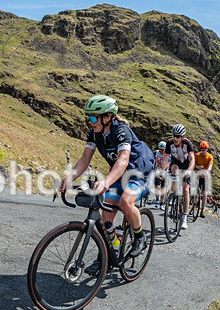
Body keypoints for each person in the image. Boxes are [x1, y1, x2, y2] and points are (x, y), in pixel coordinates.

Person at [60, 95, 154, 258]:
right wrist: (68, 179)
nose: (90, 121)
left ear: (107, 117)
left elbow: (123, 160)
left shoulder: (121, 130)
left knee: (126, 201)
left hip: (140, 172)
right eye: (88, 117)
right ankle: (112, 247)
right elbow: (84, 159)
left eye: (93, 117)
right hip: (121, 173)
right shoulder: (94, 133)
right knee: (105, 205)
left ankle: (140, 236)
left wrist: (105, 182)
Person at [168, 124, 195, 229]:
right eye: (174, 135)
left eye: (178, 136)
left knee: (185, 189)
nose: (175, 138)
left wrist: (188, 172)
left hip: (186, 165)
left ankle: (184, 217)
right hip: (176, 163)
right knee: (174, 171)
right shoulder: (169, 143)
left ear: (183, 137)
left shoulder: (188, 144)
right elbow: (166, 159)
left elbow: (192, 159)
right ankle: (173, 194)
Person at [194, 140, 214, 218]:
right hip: (198, 173)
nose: (203, 151)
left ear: (207, 149)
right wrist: (198, 167)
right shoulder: (197, 155)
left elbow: (210, 167)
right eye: (202, 150)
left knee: (205, 194)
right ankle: (196, 201)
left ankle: (202, 210)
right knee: (196, 190)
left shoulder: (210, 156)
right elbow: (194, 165)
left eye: (205, 150)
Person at [152, 140, 169, 209]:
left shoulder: (168, 154)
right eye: (160, 149)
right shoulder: (155, 153)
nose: (161, 151)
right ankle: (157, 199)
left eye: (163, 150)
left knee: (163, 188)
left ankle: (162, 203)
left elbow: (169, 163)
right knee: (157, 186)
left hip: (165, 172)